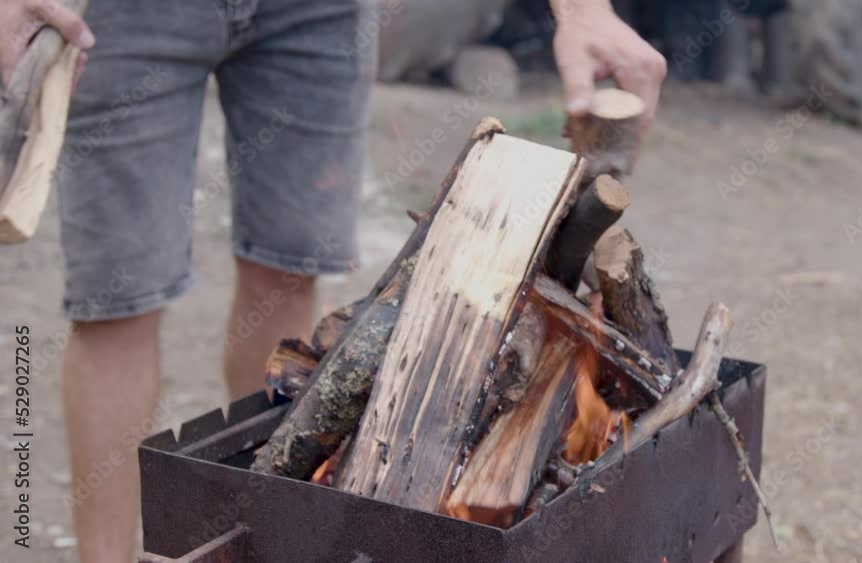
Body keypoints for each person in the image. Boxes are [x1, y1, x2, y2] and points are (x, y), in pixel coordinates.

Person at [0, 0, 666, 561]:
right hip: (122, 15)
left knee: (286, 282)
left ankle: (258, 540)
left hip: (314, 13)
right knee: (117, 302)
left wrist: (583, 10)